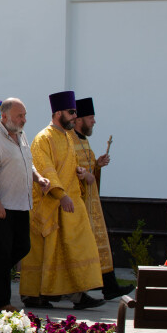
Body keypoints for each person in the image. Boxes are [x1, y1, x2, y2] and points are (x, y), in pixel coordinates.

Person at [20, 91, 106, 310]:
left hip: (70, 202)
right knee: (47, 251)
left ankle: (78, 294)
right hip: (51, 204)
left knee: (77, 248)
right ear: (58, 112)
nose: (74, 116)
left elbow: (68, 162)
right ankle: (34, 295)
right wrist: (61, 195)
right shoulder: (43, 138)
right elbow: (45, 169)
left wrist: (78, 170)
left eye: (75, 112)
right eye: (71, 112)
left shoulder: (68, 136)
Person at [0, 98, 50, 312]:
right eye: (20, 116)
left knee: (22, 247)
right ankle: (2, 303)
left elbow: (28, 162)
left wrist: (38, 178)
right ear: (5, 116)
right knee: (2, 253)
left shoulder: (20, 135)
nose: (24, 120)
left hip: (20, 204)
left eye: (25, 115)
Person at [72, 98, 130, 301]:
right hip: (78, 204)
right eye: (91, 117)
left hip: (91, 203)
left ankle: (109, 286)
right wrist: (87, 172)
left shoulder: (83, 140)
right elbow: (71, 170)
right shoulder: (68, 140)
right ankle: (96, 288)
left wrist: (96, 166)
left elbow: (86, 170)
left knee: (100, 244)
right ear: (79, 119)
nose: (94, 121)